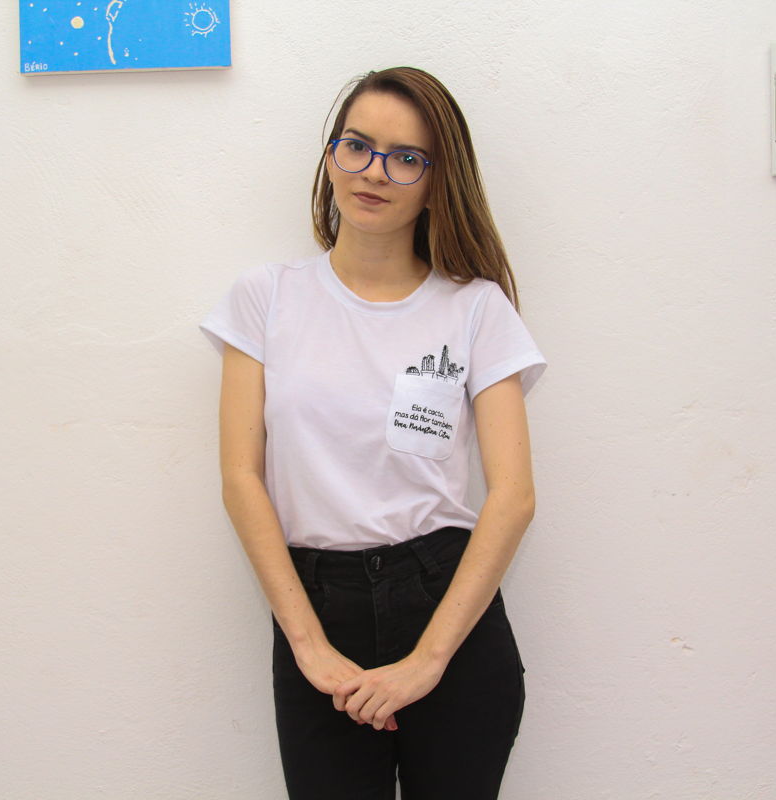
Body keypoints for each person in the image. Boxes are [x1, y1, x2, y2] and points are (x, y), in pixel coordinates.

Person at [201, 66, 545, 800]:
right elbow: (240, 478)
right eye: (356, 145)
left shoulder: (476, 308)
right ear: (331, 155)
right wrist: (308, 646)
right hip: (316, 607)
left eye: (406, 157)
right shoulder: (266, 298)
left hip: (447, 607)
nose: (374, 171)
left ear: (437, 181)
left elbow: (513, 496)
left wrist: (428, 661)